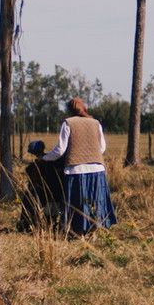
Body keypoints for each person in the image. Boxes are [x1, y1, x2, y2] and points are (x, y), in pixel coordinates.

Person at [42, 97, 117, 235]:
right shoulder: (96, 123)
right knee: (95, 202)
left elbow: (60, 151)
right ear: (84, 107)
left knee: (78, 204)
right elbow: (102, 148)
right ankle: (94, 230)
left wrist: (45, 157)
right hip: (97, 169)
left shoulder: (68, 123)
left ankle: (79, 232)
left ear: (69, 110)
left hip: (75, 170)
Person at [17, 140, 64, 232]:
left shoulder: (33, 167)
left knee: (29, 196)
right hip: (57, 193)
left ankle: (26, 225)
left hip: (46, 194)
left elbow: (34, 183)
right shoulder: (56, 161)